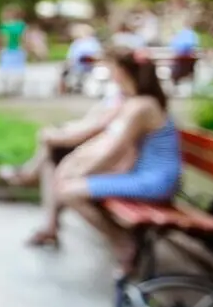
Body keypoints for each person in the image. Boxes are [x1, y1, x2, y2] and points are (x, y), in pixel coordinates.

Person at [25, 47, 182, 276]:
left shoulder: (142, 106)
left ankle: (124, 244)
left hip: (154, 181)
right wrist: (76, 165)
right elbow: (108, 144)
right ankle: (120, 242)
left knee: (68, 191)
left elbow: (115, 151)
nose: (107, 73)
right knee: (67, 185)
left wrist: (81, 173)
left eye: (109, 67)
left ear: (121, 71)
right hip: (142, 176)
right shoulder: (134, 103)